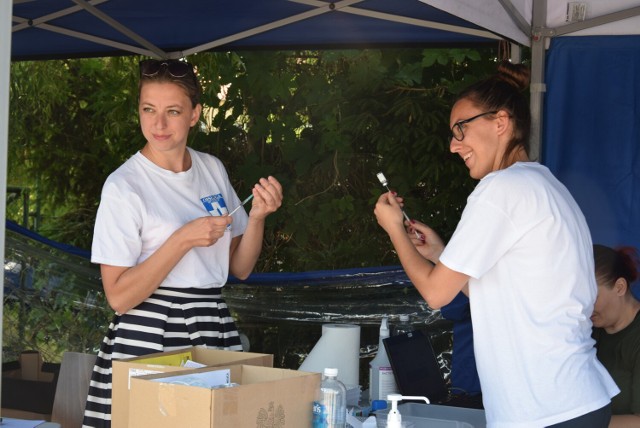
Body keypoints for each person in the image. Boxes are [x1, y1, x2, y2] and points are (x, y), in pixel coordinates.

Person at [374, 60, 618, 427]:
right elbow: (508, 293)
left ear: (500, 122)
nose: (454, 146)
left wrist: (394, 229)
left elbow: (436, 294)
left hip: (547, 410)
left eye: (461, 129)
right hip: (572, 401)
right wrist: (441, 254)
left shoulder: (500, 189)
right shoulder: (545, 185)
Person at [82, 59, 283, 428]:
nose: (158, 124)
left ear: (194, 115)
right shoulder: (124, 186)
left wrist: (256, 219)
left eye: (172, 111)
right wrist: (182, 239)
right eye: (148, 110)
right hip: (149, 332)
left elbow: (240, 268)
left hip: (212, 322)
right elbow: (119, 297)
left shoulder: (212, 169)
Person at [592, 244, 640, 427]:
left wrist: (584, 423)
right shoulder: (586, 328)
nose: (584, 306)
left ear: (620, 287)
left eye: (592, 297)